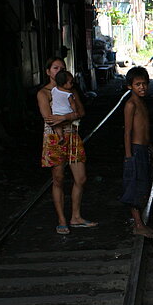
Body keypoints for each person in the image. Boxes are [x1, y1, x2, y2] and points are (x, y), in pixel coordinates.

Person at [37, 56, 97, 235]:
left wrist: (64, 117)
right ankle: (62, 220)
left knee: (81, 178)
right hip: (54, 139)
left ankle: (76, 217)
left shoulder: (70, 88)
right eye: (55, 68)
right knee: (58, 179)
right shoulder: (44, 93)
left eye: (62, 68)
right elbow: (49, 119)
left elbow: (81, 112)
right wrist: (70, 117)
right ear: (48, 72)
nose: (59, 71)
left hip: (73, 136)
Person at [120, 67, 153, 239]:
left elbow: (145, 131)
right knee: (135, 186)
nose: (142, 87)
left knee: (142, 185)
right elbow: (127, 132)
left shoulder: (142, 103)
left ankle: (140, 223)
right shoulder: (130, 104)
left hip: (143, 149)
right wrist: (129, 157)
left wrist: (151, 151)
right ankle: (138, 225)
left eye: (144, 84)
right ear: (130, 86)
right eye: (137, 84)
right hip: (135, 151)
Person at [51, 70, 80, 145]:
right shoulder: (68, 94)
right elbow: (72, 104)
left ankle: (61, 137)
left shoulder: (53, 90)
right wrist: (75, 112)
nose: (72, 84)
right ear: (64, 84)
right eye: (71, 82)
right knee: (70, 124)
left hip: (56, 113)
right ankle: (64, 137)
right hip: (67, 112)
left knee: (57, 126)